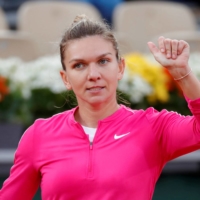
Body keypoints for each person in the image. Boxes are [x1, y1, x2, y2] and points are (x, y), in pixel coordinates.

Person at [0, 14, 200, 200]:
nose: (93, 74)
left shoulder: (153, 127)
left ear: (120, 68)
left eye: (103, 61)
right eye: (79, 65)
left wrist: (182, 73)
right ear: (65, 78)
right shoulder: (39, 135)